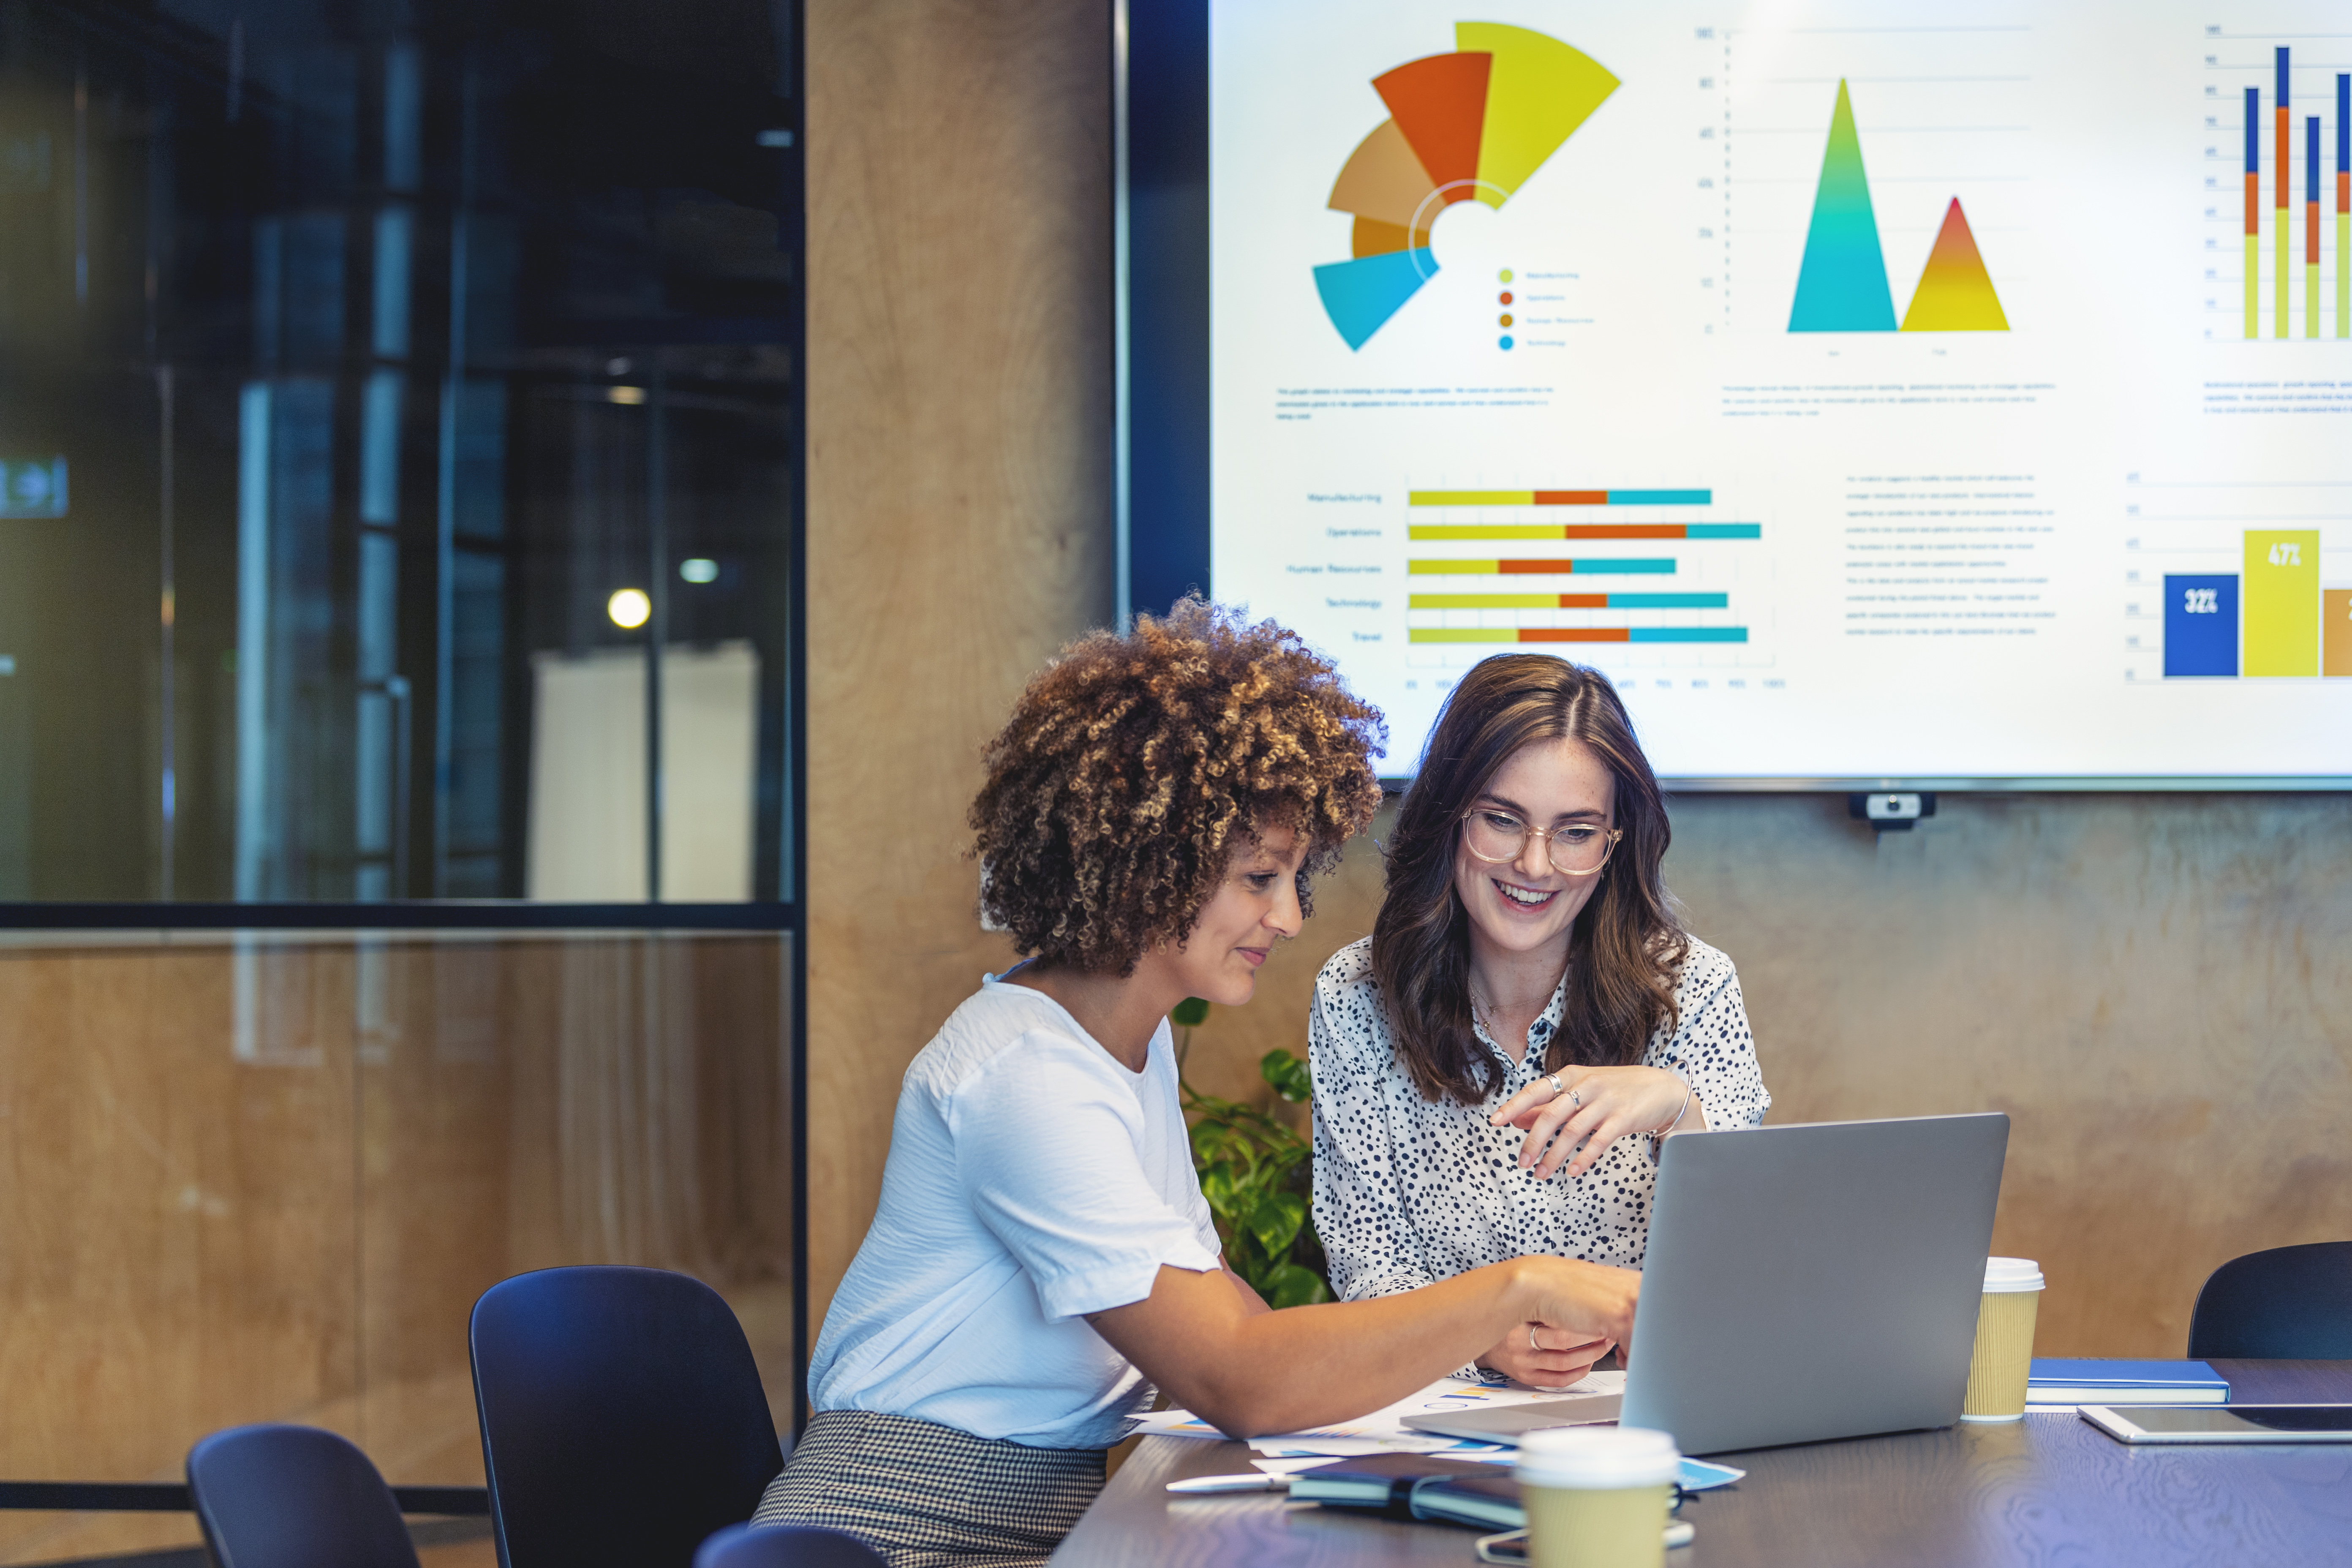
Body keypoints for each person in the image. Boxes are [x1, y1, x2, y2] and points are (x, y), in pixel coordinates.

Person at [754, 605, 1643, 1568]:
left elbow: (1235, 1322)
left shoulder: (1127, 1044)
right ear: (1149, 866)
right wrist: (1524, 1286)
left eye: (1295, 879)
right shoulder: (1024, 1077)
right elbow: (1234, 1374)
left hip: (1053, 1502)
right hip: (897, 1522)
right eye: (1258, 877)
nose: (1289, 916)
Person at [1310, 654, 1768, 1392]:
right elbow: (1367, 1260)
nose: (1534, 864)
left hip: (1647, 1412)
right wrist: (1482, 1342)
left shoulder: (1695, 987)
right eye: (1501, 820)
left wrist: (1678, 1108)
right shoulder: (1356, 996)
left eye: (1576, 832)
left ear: (1615, 843)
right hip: (1439, 1416)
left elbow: (1747, 1262)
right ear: (1449, 816)